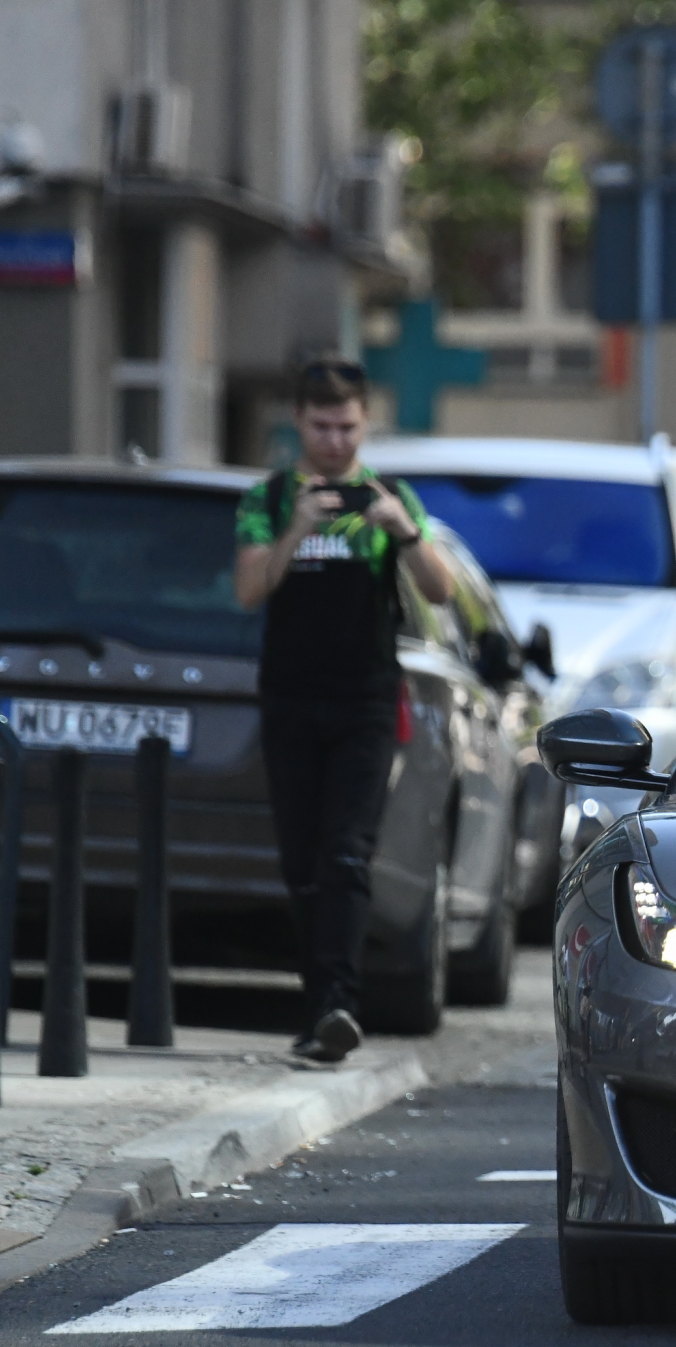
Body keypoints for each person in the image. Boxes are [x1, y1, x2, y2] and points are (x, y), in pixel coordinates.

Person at [233, 358, 453, 1062]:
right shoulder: (268, 498)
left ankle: (336, 1003)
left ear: (365, 423)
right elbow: (248, 590)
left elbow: (441, 592)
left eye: (348, 426)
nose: (335, 439)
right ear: (298, 421)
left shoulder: (390, 497)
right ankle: (318, 997)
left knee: (347, 853)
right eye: (322, 425)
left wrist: (404, 531)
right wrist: (296, 529)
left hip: (364, 699)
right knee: (302, 859)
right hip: (291, 698)